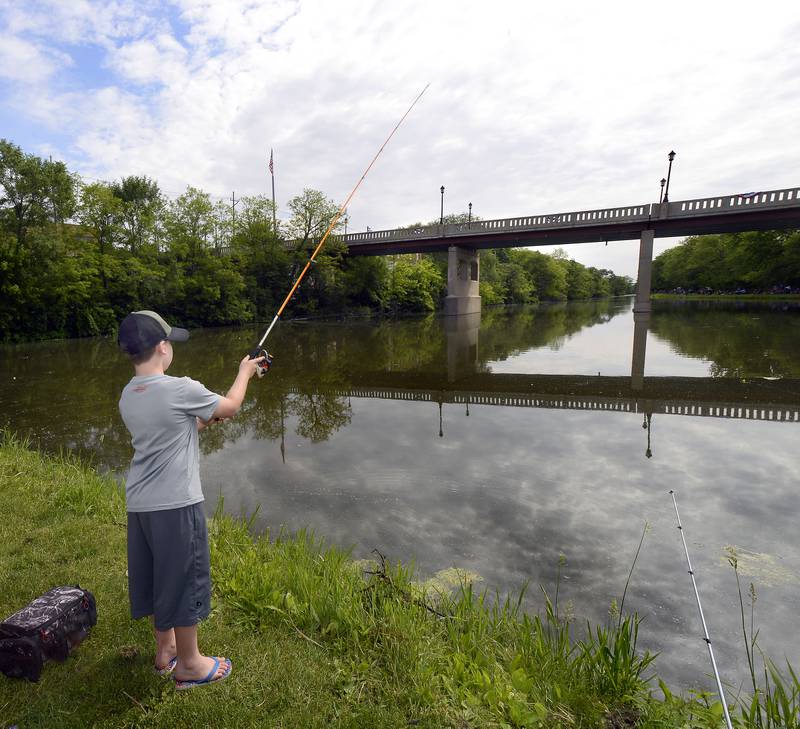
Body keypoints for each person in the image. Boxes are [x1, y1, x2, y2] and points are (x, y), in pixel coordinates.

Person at [117, 310, 265, 689]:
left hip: (141, 506)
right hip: (177, 505)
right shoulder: (181, 387)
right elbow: (230, 406)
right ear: (163, 348)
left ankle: (165, 649)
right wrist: (245, 373)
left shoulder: (128, 395)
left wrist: (201, 420)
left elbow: (169, 426)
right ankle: (190, 665)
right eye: (170, 343)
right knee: (183, 578)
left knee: (158, 575)